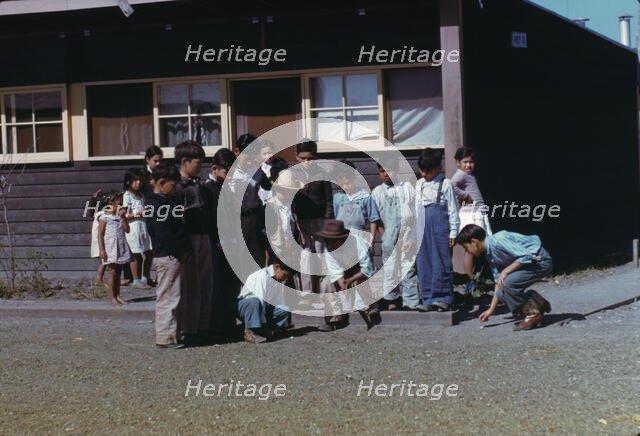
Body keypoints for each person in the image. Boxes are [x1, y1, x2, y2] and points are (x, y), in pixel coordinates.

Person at [457, 224, 553, 331]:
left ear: (474, 242)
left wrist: (506, 270)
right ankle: (537, 302)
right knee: (502, 291)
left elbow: (526, 256)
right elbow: (498, 281)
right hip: (531, 264)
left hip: (541, 262)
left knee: (507, 283)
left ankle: (533, 315)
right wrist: (491, 310)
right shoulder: (490, 255)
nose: (468, 251)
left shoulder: (498, 240)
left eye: (466, 248)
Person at [145, 162, 191, 349]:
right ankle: (165, 337)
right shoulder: (156, 204)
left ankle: (173, 334)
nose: (174, 189)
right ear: (162, 182)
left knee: (174, 296)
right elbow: (163, 234)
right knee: (168, 297)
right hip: (168, 256)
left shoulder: (162, 202)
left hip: (172, 255)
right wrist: (181, 252)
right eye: (172, 185)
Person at [174, 140, 213, 345]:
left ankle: (203, 325)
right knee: (191, 286)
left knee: (205, 282)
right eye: (197, 162)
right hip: (189, 237)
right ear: (185, 161)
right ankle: (190, 328)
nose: (200, 167)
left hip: (204, 235)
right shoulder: (177, 186)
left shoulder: (199, 183)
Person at [315, 219, 381, 332]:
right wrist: (343, 285)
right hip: (343, 272)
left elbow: (367, 270)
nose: (329, 244)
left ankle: (372, 308)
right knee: (326, 283)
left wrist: (350, 281)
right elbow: (336, 272)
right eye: (327, 241)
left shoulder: (358, 243)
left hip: (359, 271)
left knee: (362, 283)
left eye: (332, 241)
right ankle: (334, 320)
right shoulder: (328, 248)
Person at [414, 148, 459, 312]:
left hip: (440, 225)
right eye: (421, 170)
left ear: (437, 168)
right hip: (422, 225)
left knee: (440, 259)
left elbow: (453, 209)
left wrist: (454, 231)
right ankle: (427, 297)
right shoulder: (419, 184)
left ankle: (443, 297)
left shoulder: (445, 183)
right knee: (423, 260)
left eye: (427, 170)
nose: (424, 174)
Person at [371, 159, 419, 310]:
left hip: (407, 233)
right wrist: (384, 236)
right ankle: (391, 299)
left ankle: (410, 301)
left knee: (408, 267)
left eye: (389, 170)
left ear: (396, 170)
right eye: (382, 171)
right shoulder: (378, 192)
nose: (386, 174)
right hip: (388, 234)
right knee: (390, 268)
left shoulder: (406, 187)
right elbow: (376, 218)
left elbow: (416, 213)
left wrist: (412, 236)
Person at [204, 148, 240, 340]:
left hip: (231, 241)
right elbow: (210, 219)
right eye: (227, 172)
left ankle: (228, 324)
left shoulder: (227, 186)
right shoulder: (207, 189)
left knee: (231, 284)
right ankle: (216, 327)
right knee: (217, 286)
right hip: (216, 243)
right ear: (215, 168)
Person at [291, 140, 334, 293]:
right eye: (303, 158)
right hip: (300, 222)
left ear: (315, 157)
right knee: (306, 257)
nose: (307, 162)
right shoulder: (292, 173)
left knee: (320, 255)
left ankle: (324, 292)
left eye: (310, 158)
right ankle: (307, 294)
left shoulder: (322, 173)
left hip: (319, 222)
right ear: (297, 157)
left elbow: (329, 201)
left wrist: (328, 223)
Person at [229, 133, 269, 267]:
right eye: (247, 156)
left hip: (255, 218)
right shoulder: (229, 171)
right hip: (236, 219)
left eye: (254, 156)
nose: (250, 160)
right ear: (237, 152)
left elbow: (270, 186)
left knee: (257, 256)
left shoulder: (257, 170)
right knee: (239, 259)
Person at [451, 147, 492, 278]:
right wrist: (465, 195)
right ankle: (470, 281)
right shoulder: (460, 174)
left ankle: (477, 278)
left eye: (471, 162)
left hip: (478, 212)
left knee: (478, 247)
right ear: (458, 163)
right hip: (471, 214)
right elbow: (451, 185)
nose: (468, 165)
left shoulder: (468, 175)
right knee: (471, 248)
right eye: (465, 162)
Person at [237, 257, 296, 344]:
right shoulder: (262, 275)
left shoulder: (277, 281)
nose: (286, 279)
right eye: (285, 275)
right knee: (254, 301)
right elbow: (260, 300)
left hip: (262, 310)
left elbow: (278, 302)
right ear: (277, 267)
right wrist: (264, 326)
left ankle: (267, 329)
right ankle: (250, 331)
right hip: (246, 307)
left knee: (284, 309)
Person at [333, 160, 381, 257]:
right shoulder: (337, 198)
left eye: (348, 183)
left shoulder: (365, 197)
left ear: (354, 178)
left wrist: (371, 244)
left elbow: (373, 220)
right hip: (341, 239)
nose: (345, 187)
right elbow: (334, 219)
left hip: (360, 239)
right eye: (342, 185)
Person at [98, 192, 131, 305]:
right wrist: (102, 249)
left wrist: (123, 218)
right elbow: (100, 234)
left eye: (122, 203)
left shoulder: (120, 217)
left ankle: (118, 295)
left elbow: (127, 230)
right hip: (110, 247)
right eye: (119, 203)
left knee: (119, 272)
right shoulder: (104, 217)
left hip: (120, 246)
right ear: (111, 203)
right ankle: (112, 297)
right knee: (112, 272)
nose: (121, 206)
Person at [123, 168, 154, 288]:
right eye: (135, 180)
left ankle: (145, 277)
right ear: (128, 182)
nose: (138, 183)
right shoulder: (127, 196)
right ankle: (136, 280)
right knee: (136, 255)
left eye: (140, 180)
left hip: (144, 227)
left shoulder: (141, 195)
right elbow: (124, 215)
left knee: (149, 252)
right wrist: (139, 214)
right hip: (134, 228)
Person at [89, 189, 108, 286]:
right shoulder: (101, 215)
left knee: (104, 261)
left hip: (99, 239)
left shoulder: (97, 214)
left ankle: (100, 279)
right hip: (101, 241)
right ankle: (99, 279)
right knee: (104, 261)